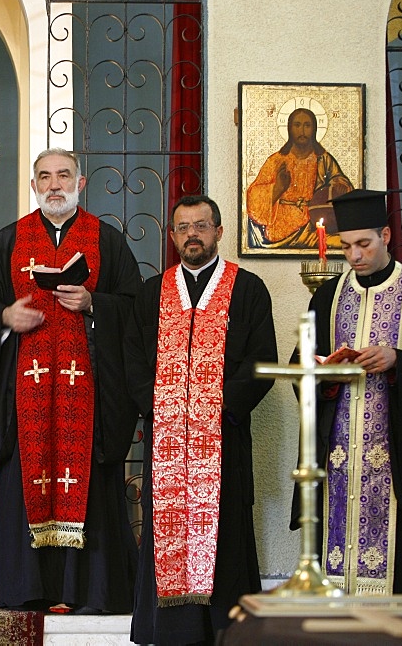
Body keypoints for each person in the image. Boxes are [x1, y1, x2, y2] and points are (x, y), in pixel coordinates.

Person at [0, 148, 141, 614]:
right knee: (26, 478)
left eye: (64, 175)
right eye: (44, 177)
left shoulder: (106, 240)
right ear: (34, 186)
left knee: (90, 485)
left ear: (80, 184)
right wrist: (5, 315)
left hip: (90, 397)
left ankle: (91, 592)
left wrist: (94, 304)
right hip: (24, 394)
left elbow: (135, 307)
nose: (54, 184)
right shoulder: (9, 239)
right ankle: (28, 587)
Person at [292, 189, 402, 600]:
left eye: (363, 244)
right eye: (345, 247)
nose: (354, 256)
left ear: (386, 235)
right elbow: (301, 365)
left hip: (394, 461)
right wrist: (326, 373)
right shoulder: (328, 297)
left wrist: (397, 361)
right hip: (337, 458)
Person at [126, 195, 277, 644]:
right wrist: (159, 406)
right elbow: (133, 358)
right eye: (183, 227)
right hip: (168, 439)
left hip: (223, 439)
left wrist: (222, 405)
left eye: (201, 226)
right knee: (166, 530)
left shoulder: (247, 288)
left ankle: (224, 630)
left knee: (226, 532)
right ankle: (170, 628)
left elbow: (261, 359)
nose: (192, 234)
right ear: (173, 236)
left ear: (219, 232)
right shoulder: (152, 291)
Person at [246, 107, 353, 249]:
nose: (302, 131)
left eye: (307, 125)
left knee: (343, 243)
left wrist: (339, 185)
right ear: (289, 129)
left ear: (314, 129)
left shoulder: (323, 159)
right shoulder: (276, 161)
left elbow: (340, 181)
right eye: (297, 125)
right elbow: (253, 198)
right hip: (280, 229)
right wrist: (277, 188)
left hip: (313, 226)